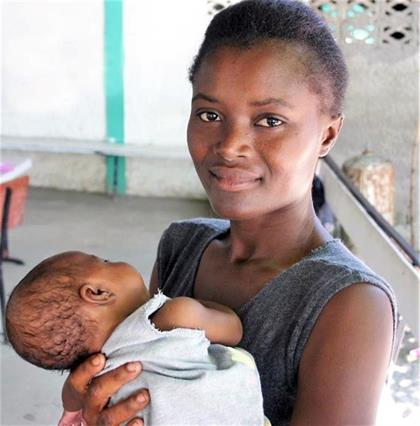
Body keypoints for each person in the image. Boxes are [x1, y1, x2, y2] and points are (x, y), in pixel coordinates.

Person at [58, 1, 396, 425]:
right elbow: (140, 374)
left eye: (270, 120)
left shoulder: (350, 304)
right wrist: (86, 394)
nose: (230, 145)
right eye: (210, 114)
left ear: (327, 134)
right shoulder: (182, 247)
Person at [6, 251, 267, 425]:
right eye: (105, 261)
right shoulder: (173, 315)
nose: (112, 260)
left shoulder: (96, 373)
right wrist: (196, 305)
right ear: (97, 292)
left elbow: (72, 400)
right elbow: (234, 328)